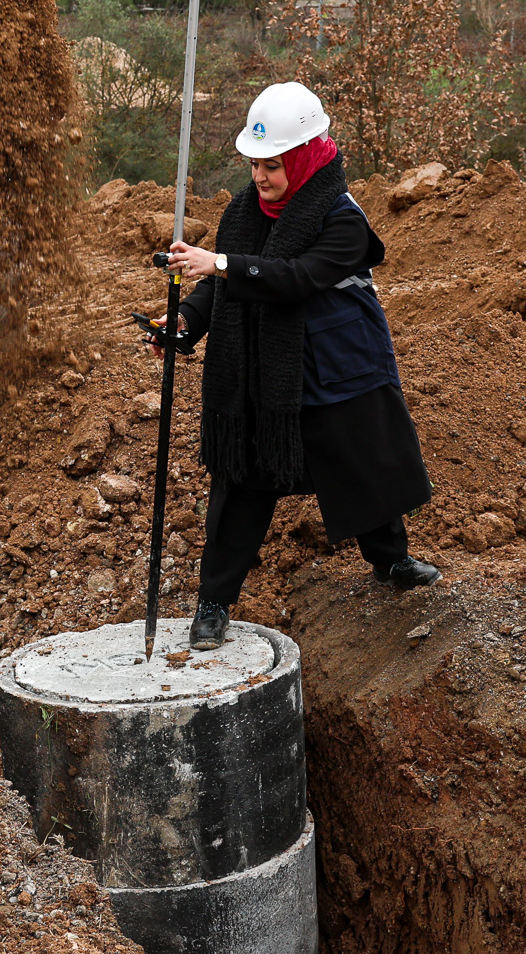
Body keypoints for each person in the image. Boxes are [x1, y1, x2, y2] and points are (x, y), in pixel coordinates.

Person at [156, 81, 440, 651]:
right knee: (242, 484)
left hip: (339, 367)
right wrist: (185, 320)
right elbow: (222, 286)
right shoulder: (243, 213)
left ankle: (392, 562)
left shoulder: (343, 220)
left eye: (273, 166)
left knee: (361, 465)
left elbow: (296, 279)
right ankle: (214, 601)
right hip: (266, 376)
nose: (260, 177)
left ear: (305, 156)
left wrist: (221, 264)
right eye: (255, 164)